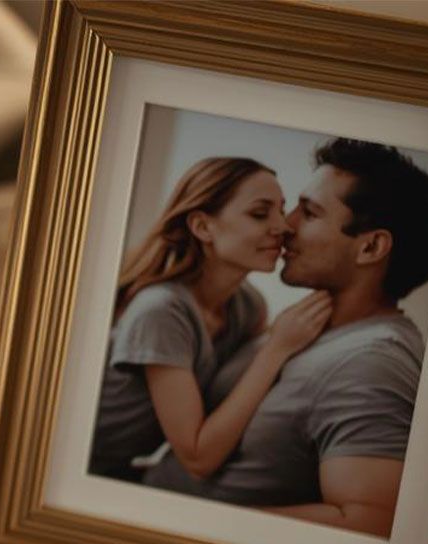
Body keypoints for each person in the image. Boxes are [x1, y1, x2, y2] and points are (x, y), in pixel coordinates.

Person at [145, 138, 428, 538]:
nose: (284, 225)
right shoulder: (307, 324)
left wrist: (192, 522)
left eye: (308, 213)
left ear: (371, 246)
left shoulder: (371, 364)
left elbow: (371, 520)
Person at [90, 157, 332, 483]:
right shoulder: (161, 312)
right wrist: (276, 349)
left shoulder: (247, 306)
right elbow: (197, 457)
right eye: (260, 213)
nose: (283, 226)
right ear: (203, 226)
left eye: (280, 209)